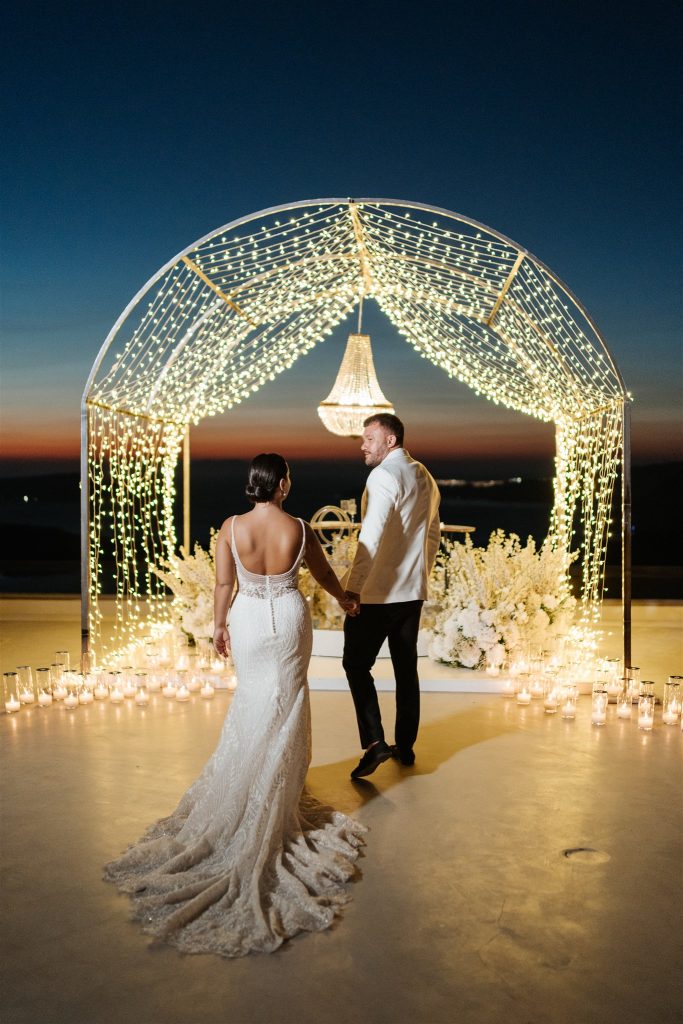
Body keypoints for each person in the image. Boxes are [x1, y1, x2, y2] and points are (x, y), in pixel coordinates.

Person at [104, 453, 365, 958]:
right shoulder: (301, 527)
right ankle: (275, 789)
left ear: (254, 484)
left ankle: (253, 783)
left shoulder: (230, 527)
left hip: (247, 620)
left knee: (252, 700)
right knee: (286, 703)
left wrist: (219, 625)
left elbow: (224, 584)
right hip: (288, 620)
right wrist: (345, 600)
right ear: (284, 483)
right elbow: (326, 574)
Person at [342, 414, 441, 779]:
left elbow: (371, 536)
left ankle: (374, 742)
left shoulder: (383, 475)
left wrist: (352, 588)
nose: (363, 444)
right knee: (405, 670)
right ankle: (406, 746)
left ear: (390, 441)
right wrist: (419, 578)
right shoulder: (425, 476)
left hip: (378, 595)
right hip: (411, 592)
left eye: (370, 438)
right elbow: (433, 536)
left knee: (355, 664)